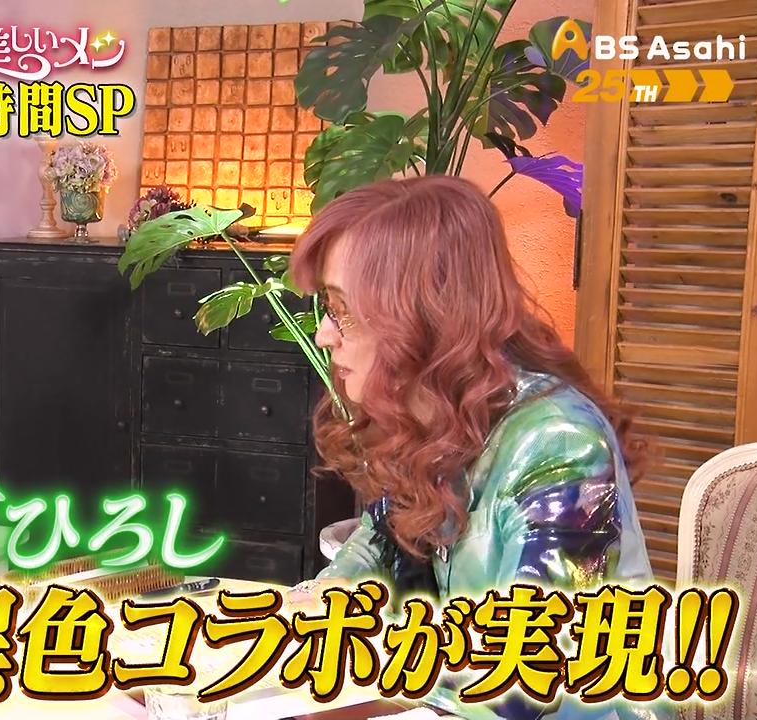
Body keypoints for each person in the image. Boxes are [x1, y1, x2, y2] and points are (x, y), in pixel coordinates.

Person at [287, 176, 670, 720]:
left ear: (420, 315)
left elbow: (525, 680)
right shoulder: (434, 422)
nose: (325, 335)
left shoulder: (557, 443)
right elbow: (367, 563)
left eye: (342, 309)